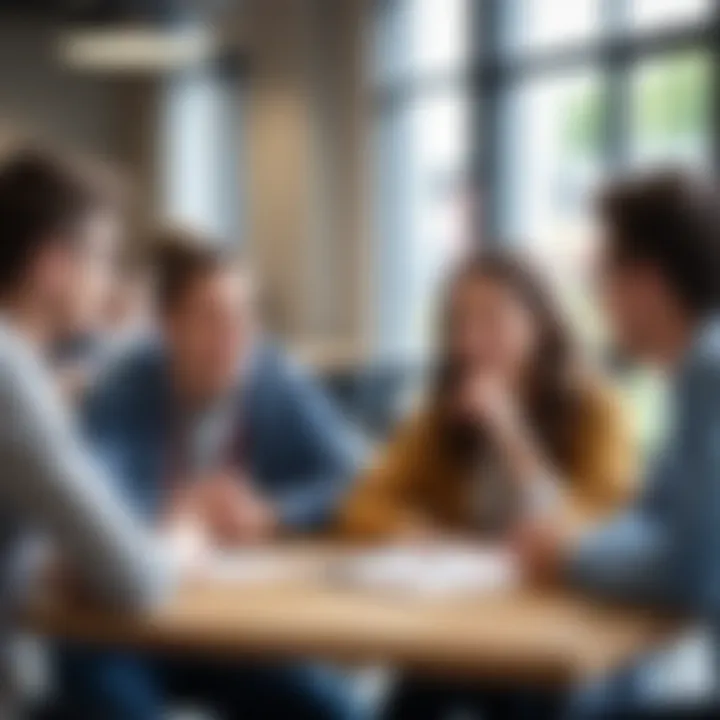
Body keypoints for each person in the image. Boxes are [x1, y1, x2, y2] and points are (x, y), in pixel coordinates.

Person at [54, 229, 364, 719]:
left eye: (244, 316)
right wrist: (170, 510)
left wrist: (272, 513)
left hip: (238, 627)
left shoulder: (274, 379)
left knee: (333, 710)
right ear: (169, 325)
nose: (233, 335)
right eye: (211, 317)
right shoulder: (125, 385)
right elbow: (89, 497)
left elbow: (357, 483)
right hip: (130, 627)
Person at [340, 249, 636, 719]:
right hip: (474, 621)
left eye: (492, 318)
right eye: (460, 322)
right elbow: (363, 502)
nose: (471, 340)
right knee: (410, 694)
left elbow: (600, 525)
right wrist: (411, 529)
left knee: (530, 699)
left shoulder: (598, 412)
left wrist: (512, 434)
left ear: (538, 323)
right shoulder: (441, 417)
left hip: (569, 630)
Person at [517, 171, 720, 718]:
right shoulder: (692, 375)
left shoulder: (709, 371)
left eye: (601, 280)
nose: (598, 301)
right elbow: (651, 516)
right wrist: (576, 547)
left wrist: (569, 555)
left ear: (647, 282)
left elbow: (691, 572)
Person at [0, 147, 182, 711]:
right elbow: (137, 579)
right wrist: (184, 542)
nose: (109, 282)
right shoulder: (12, 377)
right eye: (101, 259)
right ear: (54, 266)